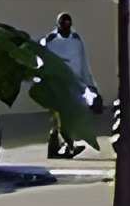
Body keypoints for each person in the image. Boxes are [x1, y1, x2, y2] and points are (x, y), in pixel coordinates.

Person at [41, 11, 101, 160]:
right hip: (56, 84)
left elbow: (83, 64)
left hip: (75, 84)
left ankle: (60, 147)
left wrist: (90, 85)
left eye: (68, 26)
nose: (66, 29)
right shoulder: (50, 40)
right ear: (58, 25)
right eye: (63, 25)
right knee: (59, 118)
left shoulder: (76, 40)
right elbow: (44, 63)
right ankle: (65, 146)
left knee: (70, 117)